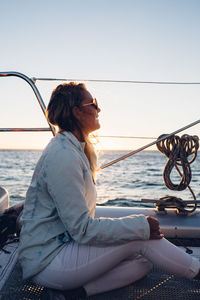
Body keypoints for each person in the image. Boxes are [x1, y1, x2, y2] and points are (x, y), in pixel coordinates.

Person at [18, 82, 200, 299]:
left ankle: (75, 294)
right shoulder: (63, 155)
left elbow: (78, 224)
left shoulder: (74, 149)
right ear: (76, 111)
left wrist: (137, 225)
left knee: (142, 262)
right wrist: (139, 226)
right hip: (47, 261)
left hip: (62, 246)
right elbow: (82, 230)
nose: (98, 109)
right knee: (141, 237)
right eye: (93, 104)